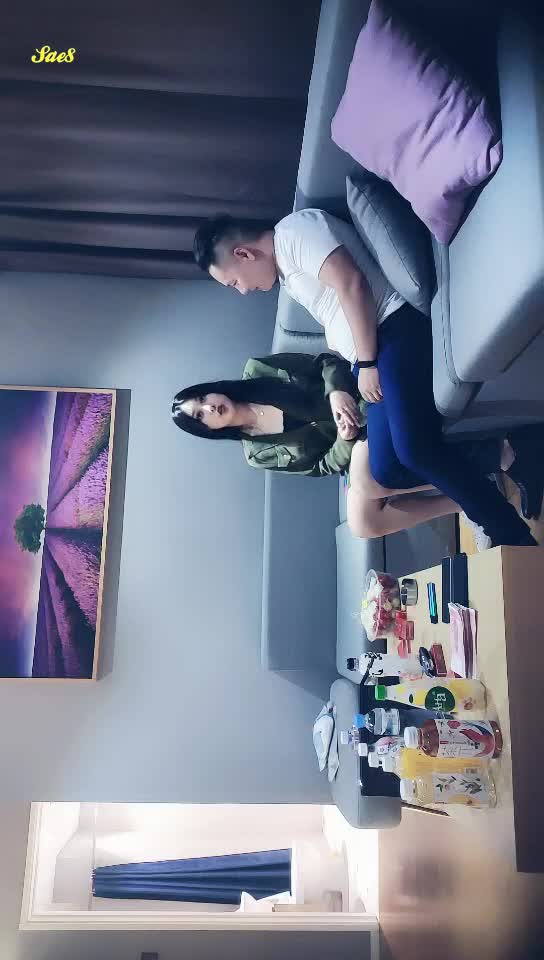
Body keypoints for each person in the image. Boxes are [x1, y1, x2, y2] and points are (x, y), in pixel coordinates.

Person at [193, 212, 542, 545]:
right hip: (371, 358)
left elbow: (352, 283)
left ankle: (511, 534)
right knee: (386, 471)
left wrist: (367, 362)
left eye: (234, 282)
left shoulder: (294, 234)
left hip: (392, 330)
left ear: (244, 254)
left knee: (416, 451)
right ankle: (515, 454)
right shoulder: (286, 274)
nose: (243, 290)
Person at [172, 351, 533, 542]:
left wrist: (335, 394)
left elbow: (326, 362)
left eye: (202, 398)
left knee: (369, 482)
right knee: (363, 524)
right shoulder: (256, 454)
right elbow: (320, 467)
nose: (209, 408)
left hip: (363, 403)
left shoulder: (259, 370)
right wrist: (345, 441)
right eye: (200, 416)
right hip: (350, 450)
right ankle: (466, 499)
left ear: (210, 389)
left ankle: (497, 461)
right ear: (208, 430)